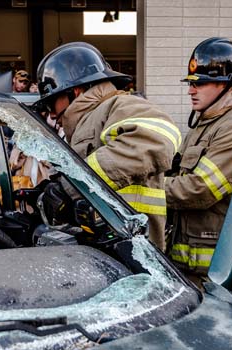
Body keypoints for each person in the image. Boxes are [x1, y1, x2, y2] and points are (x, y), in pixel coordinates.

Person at [36, 42, 179, 251]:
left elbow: (157, 140)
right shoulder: (87, 121)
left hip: (135, 255)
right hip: (106, 252)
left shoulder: (120, 106)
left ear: (75, 91)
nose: (51, 114)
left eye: (52, 104)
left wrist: (71, 186)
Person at [166, 37, 232, 281]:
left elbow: (200, 189)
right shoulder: (207, 121)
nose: (191, 90)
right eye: (191, 83)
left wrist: (146, 189)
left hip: (221, 270)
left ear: (227, 85)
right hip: (193, 265)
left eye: (200, 83)